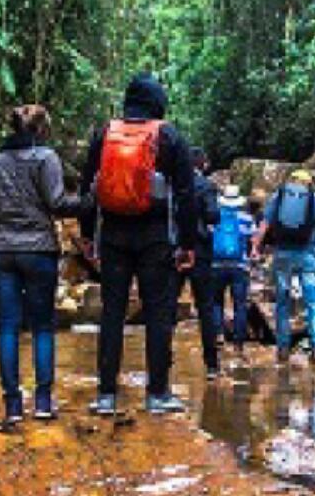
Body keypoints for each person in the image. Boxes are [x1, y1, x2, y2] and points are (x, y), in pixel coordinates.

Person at [79, 73, 197, 415]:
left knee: (112, 313)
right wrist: (187, 244)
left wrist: (88, 235)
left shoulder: (104, 134)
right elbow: (186, 195)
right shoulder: (170, 136)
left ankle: (105, 395)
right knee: (158, 313)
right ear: (158, 102)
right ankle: (157, 394)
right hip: (155, 238)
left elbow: (88, 189)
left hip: (113, 235)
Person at [0, 105, 85, 422]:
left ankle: (12, 406)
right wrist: (90, 201)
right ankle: (42, 403)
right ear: (40, 130)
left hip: (0, 250)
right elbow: (57, 203)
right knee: (42, 327)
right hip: (38, 249)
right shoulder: (45, 158)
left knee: (8, 327)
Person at [250, 169, 315, 363]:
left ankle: (283, 348)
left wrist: (255, 247)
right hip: (307, 255)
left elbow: (264, 225)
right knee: (313, 302)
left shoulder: (279, 197)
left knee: (283, 302)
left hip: (282, 255)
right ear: (309, 183)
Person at [187, 147, 222, 378]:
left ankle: (161, 364)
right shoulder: (206, 186)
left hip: (174, 250)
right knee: (205, 308)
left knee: (165, 308)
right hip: (199, 251)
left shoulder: (172, 182)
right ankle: (211, 365)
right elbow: (213, 215)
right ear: (202, 164)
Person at [211, 184, 256, 354]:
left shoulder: (215, 217)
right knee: (240, 304)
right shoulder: (246, 218)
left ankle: (219, 334)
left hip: (216, 265)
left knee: (216, 301)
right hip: (239, 266)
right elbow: (253, 241)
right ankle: (238, 343)